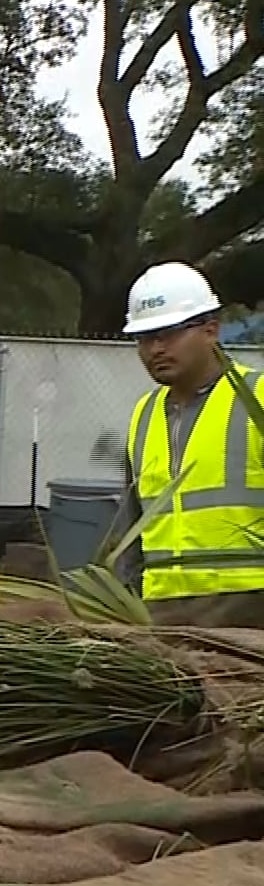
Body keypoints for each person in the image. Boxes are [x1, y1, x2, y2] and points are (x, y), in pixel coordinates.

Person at [121, 261, 264, 626]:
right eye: (145, 337)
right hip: (162, 613)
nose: (156, 348)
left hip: (247, 611)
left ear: (211, 330)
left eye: (169, 333)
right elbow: (131, 526)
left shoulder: (258, 397)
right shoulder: (144, 413)